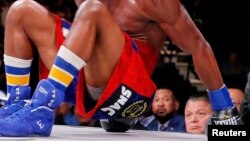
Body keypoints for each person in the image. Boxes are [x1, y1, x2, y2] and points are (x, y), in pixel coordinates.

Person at [0, 0, 242, 137]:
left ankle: (42, 107)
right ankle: (17, 104)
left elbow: (198, 46)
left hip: (127, 91)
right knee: (21, 9)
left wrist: (225, 113)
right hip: (84, 78)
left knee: (93, 10)